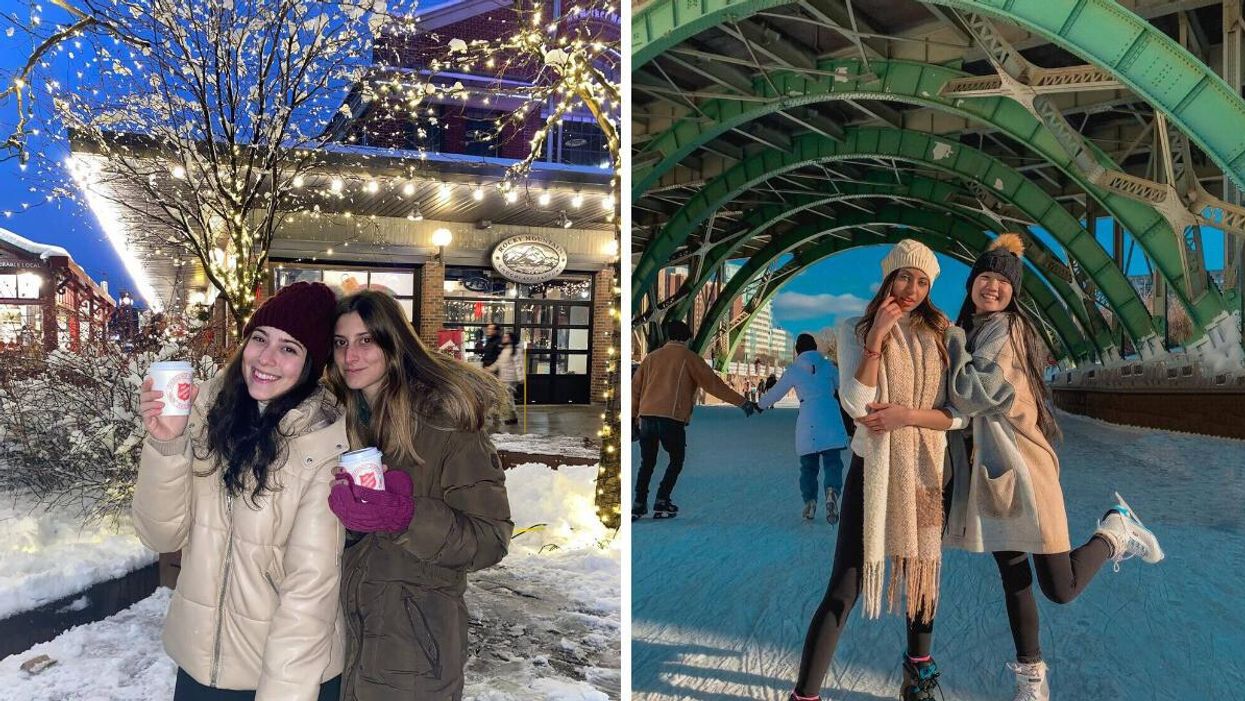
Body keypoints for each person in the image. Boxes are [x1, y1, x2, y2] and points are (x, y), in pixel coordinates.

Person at [941, 234, 1163, 701]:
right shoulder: (980, 329)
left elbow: (967, 393)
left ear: (1014, 292)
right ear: (971, 283)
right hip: (994, 474)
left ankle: (1114, 531)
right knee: (1015, 579)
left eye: (1003, 281)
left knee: (1060, 587)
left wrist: (954, 342)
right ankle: (1031, 678)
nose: (993, 287)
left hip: (1025, 469)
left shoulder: (1006, 331)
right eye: (986, 277)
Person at [132, 281, 347, 700]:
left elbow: (310, 594)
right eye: (260, 339)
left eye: (289, 348)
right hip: (199, 665)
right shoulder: (208, 414)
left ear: (311, 365)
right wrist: (167, 443)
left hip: (283, 676)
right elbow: (160, 536)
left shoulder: (325, 445)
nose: (265, 359)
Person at [789, 240, 966, 701]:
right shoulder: (855, 328)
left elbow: (958, 414)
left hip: (928, 468)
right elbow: (858, 403)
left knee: (922, 575)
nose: (912, 289)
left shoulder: (944, 336)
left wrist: (906, 415)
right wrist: (876, 341)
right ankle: (804, 694)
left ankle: (918, 674)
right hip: (875, 468)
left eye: (922, 281)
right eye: (905, 277)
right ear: (888, 278)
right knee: (845, 585)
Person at [325, 290, 512, 700]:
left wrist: (404, 516)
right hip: (347, 646)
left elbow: (490, 540)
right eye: (341, 342)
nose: (350, 355)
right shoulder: (343, 423)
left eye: (365, 340)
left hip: (415, 654)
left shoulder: (448, 425)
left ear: (394, 345)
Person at [631, 319, 760, 521]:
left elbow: (635, 390)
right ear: (688, 338)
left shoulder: (651, 358)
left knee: (647, 462)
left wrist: (633, 416)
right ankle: (662, 499)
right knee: (676, 459)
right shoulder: (689, 358)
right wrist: (742, 402)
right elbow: (714, 385)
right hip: (671, 418)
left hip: (646, 416)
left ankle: (639, 503)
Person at [757, 334, 848, 523]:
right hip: (830, 415)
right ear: (815, 348)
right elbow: (844, 387)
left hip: (809, 419)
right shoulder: (828, 366)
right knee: (833, 462)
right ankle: (832, 490)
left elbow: (776, 392)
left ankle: (810, 501)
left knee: (808, 466)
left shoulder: (794, 370)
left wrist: (759, 405)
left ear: (797, 350)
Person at [488, 331, 523, 426]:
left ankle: (506, 417)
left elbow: (519, 365)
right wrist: (489, 369)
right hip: (503, 378)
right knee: (509, 398)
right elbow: (498, 363)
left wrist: (521, 377)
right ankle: (512, 417)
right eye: (504, 337)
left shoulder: (515, 351)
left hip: (511, 379)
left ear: (511, 339)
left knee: (506, 398)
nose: (504, 338)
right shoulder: (504, 351)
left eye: (506, 337)